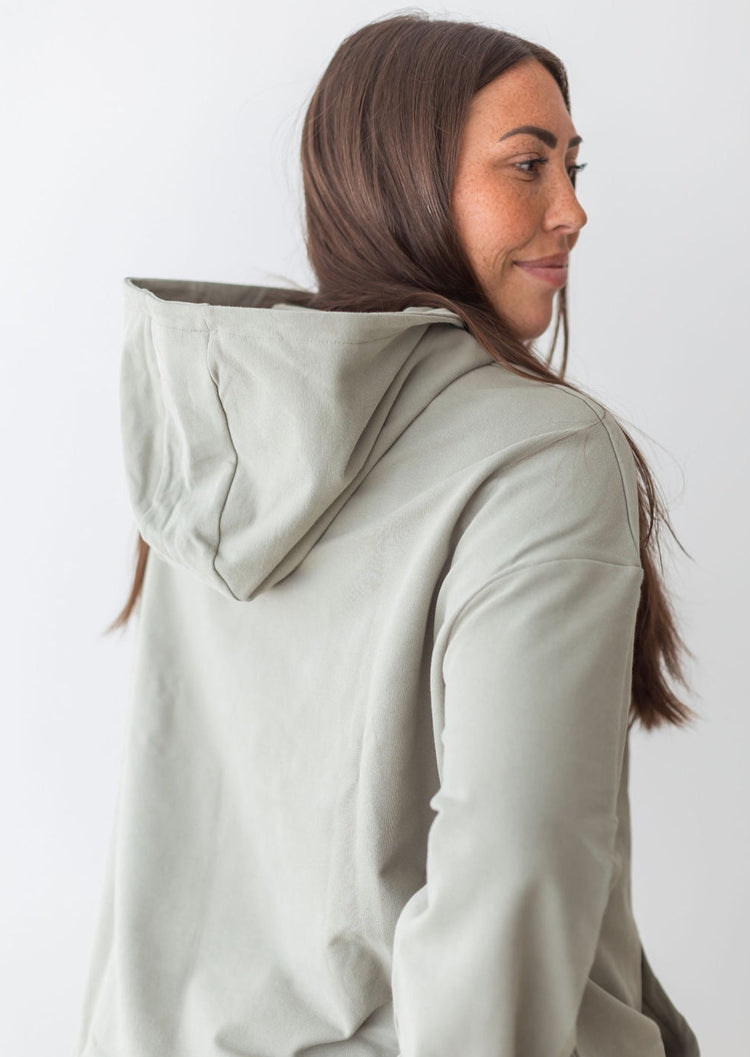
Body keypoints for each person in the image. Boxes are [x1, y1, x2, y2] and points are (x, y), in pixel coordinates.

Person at [74, 12, 702, 1057]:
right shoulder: (541, 456)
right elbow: (514, 876)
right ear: (403, 180)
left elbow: (168, 849)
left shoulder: (223, 427)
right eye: (528, 165)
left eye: (573, 165)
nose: (573, 209)